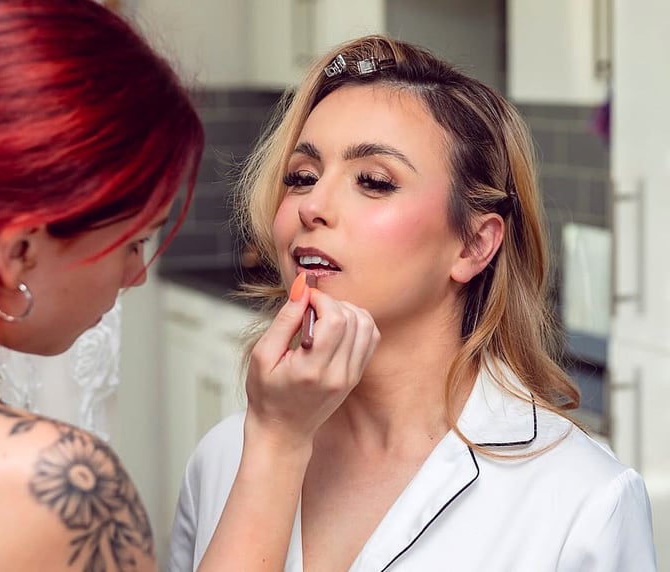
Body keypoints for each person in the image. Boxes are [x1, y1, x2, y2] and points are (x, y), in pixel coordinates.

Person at [0, 1, 379, 570]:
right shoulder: (52, 491)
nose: (136, 275)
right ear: (18, 253)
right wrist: (279, 440)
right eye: (134, 242)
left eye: (375, 182)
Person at [169, 35, 658, 571]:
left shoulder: (585, 503)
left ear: (474, 244)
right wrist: (273, 448)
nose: (312, 205)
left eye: (374, 182)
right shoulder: (225, 460)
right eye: (302, 177)